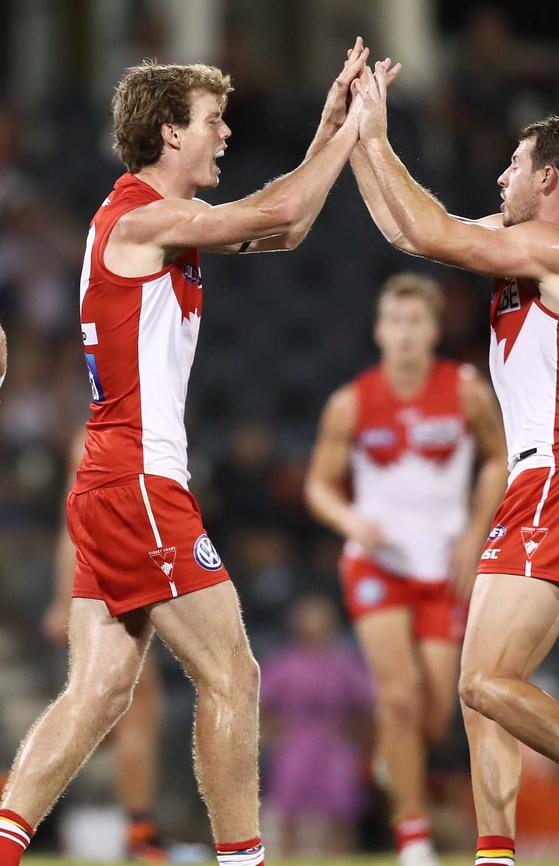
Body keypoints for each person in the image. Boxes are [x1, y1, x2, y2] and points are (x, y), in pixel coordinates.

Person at [0, 41, 377, 866]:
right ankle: (244, 860)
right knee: (233, 674)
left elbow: (288, 225)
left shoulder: (150, 223)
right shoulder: (145, 219)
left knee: (97, 691)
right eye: (213, 120)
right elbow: (277, 215)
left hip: (110, 474)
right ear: (171, 134)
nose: (226, 133)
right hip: (137, 477)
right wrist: (355, 132)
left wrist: (329, 124)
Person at [348, 59, 559, 866]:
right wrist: (354, 138)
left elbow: (433, 229)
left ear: (548, 178)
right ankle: (495, 854)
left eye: (514, 166)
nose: (500, 174)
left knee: (483, 682)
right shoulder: (537, 251)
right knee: (483, 693)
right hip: (548, 481)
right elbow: (408, 228)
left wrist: (379, 134)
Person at [305, 271, 507, 866]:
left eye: (417, 321)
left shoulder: (467, 391)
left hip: (444, 566)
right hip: (378, 563)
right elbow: (318, 484)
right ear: (378, 331)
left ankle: (392, 756)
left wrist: (475, 534)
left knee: (437, 710)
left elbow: (497, 459)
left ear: (434, 329)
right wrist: (350, 522)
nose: (405, 334)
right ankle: (411, 836)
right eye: (395, 322)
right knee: (397, 697)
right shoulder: (351, 402)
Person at [41, 428, 208, 862]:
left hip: (126, 574)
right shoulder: (99, 438)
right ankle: (139, 835)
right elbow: (72, 525)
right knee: (109, 708)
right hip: (109, 578)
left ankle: (140, 831)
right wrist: (65, 601)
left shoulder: (130, 431)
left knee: (119, 711)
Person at [260, 595, 373, 858]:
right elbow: (261, 701)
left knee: (340, 814)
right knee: (289, 811)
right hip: (295, 742)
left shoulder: (343, 662)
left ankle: (340, 858)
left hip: (334, 743)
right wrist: (272, 732)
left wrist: (358, 736)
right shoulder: (285, 662)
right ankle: (287, 859)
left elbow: (366, 702)